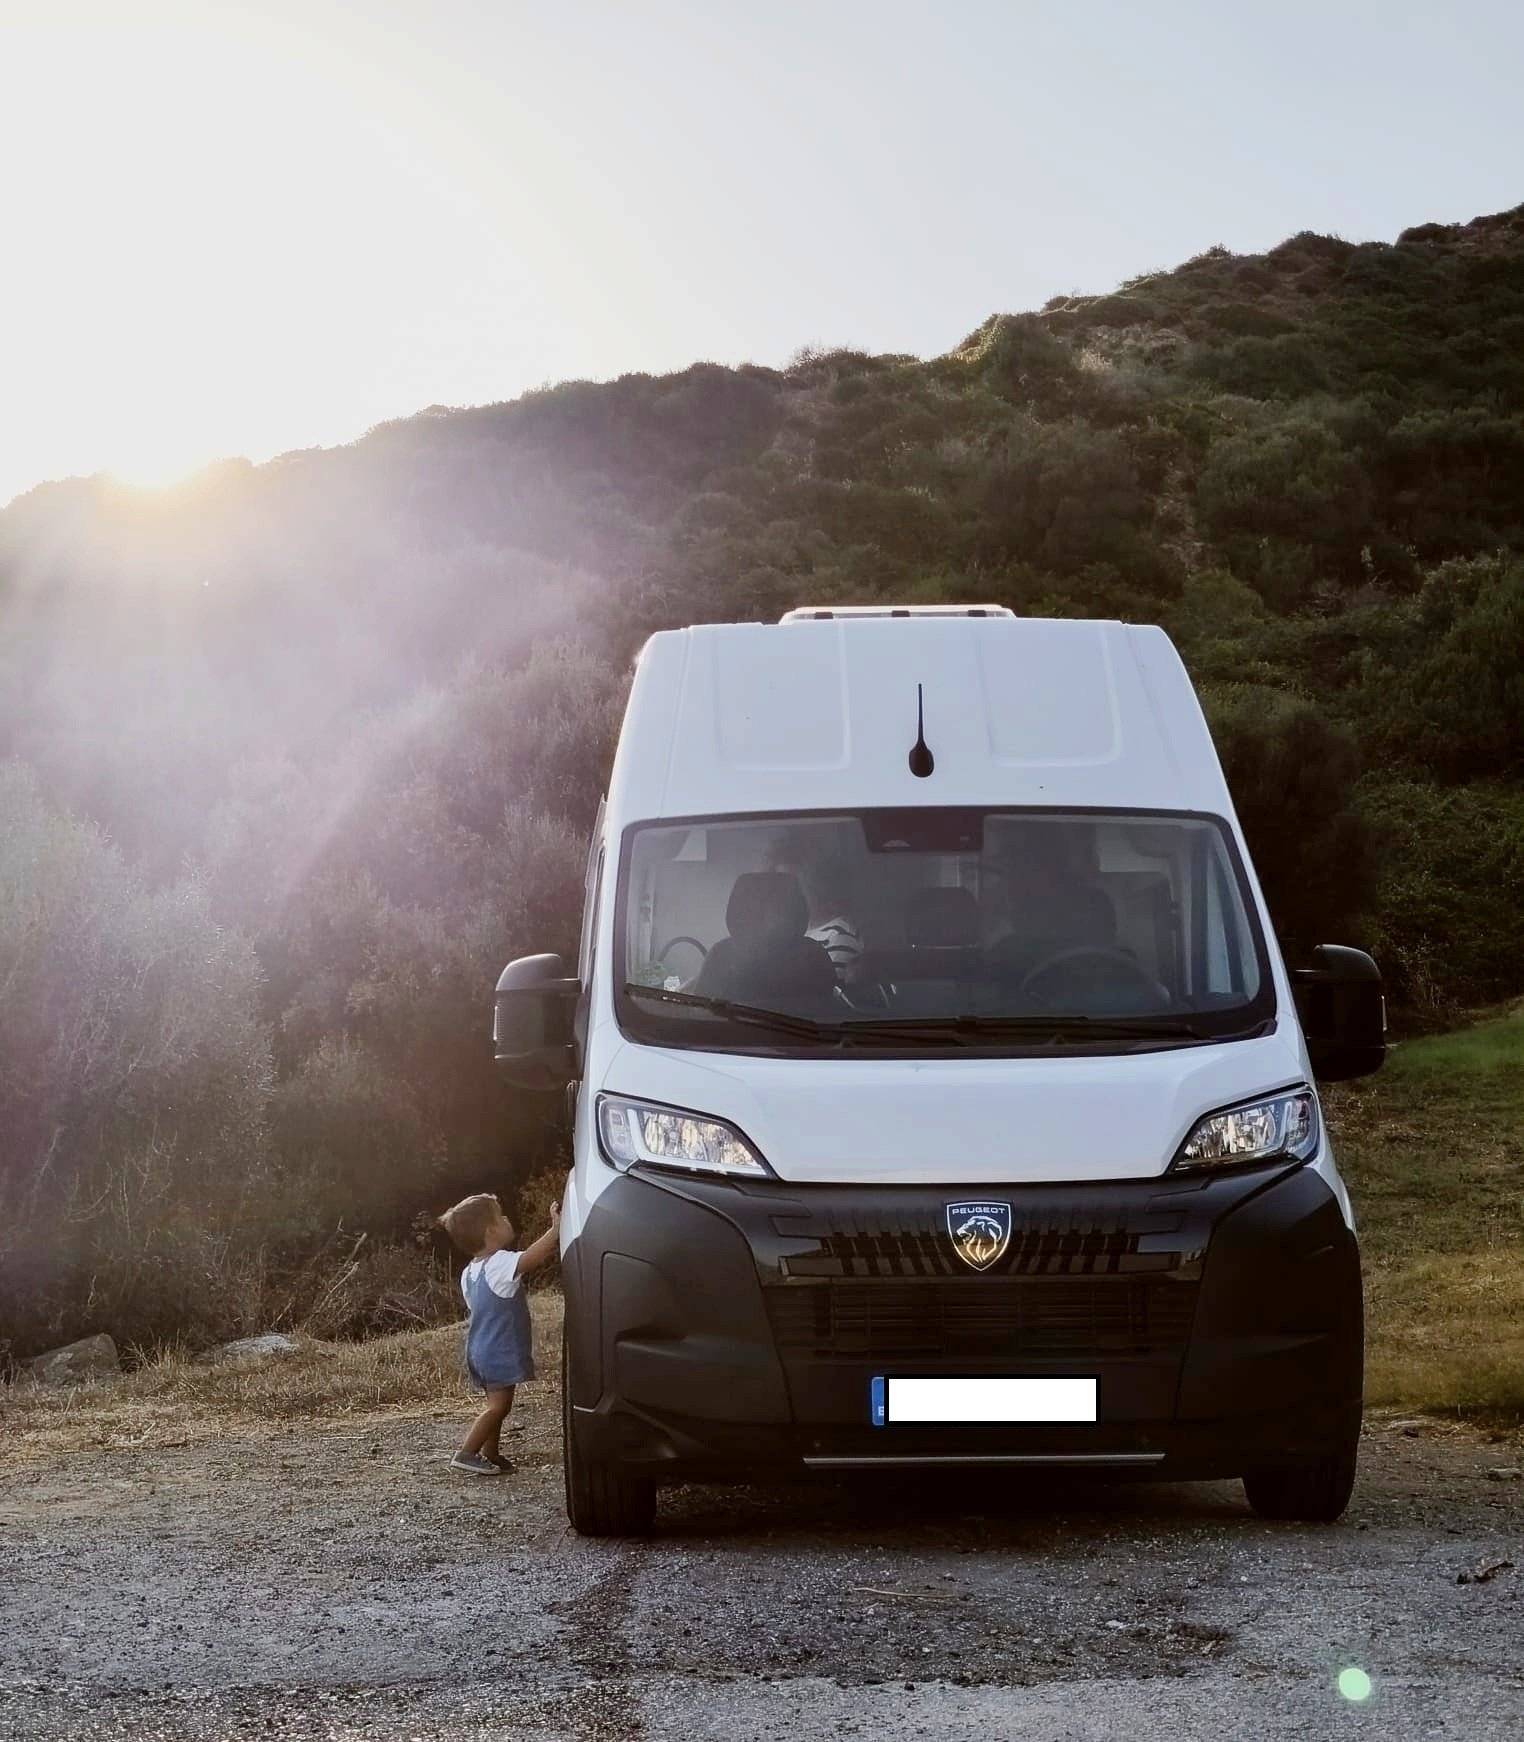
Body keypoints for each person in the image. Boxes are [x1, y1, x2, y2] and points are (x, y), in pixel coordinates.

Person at [436, 1191, 560, 1476]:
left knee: (498, 1404)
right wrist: (555, 1230)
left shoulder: (470, 1273)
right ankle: (466, 1453)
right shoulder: (500, 1263)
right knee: (499, 1407)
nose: (507, 1219)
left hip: (479, 1348)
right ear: (492, 1231)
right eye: (501, 1216)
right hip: (498, 1349)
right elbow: (533, 1257)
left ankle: (490, 1453)